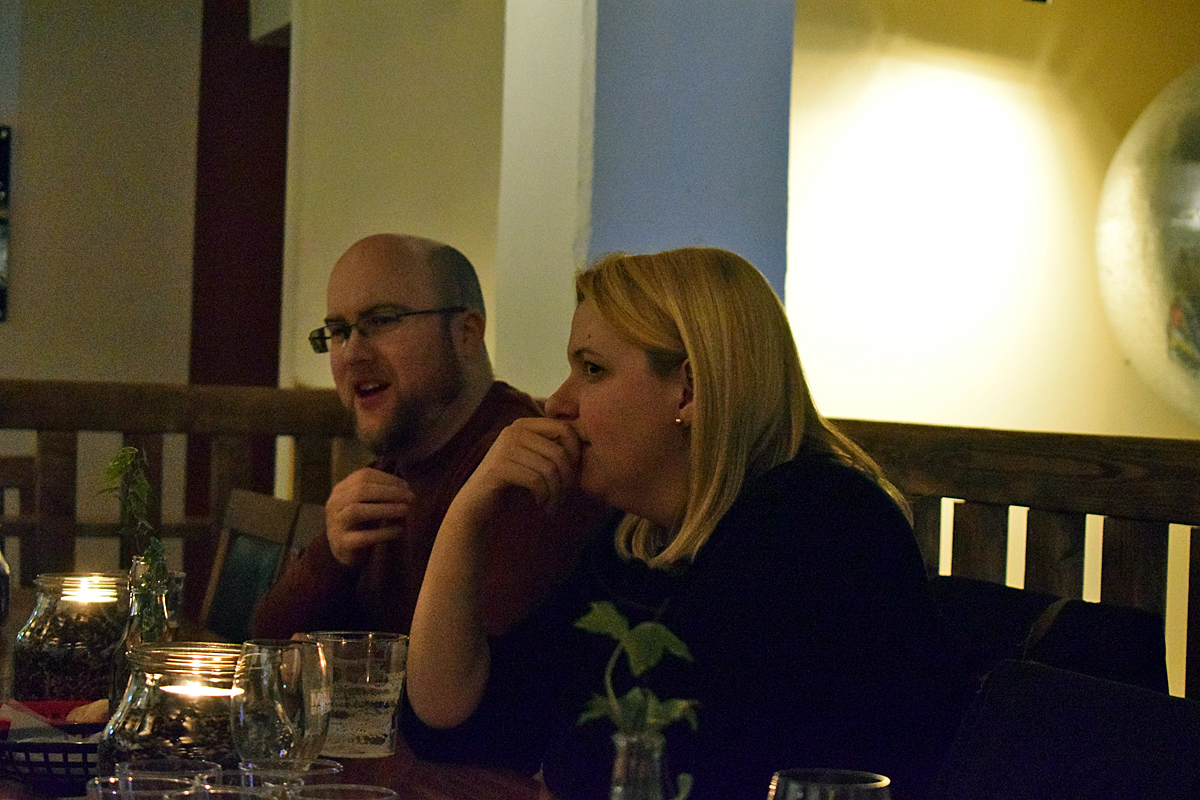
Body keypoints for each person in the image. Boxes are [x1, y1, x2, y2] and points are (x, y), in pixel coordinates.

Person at [402, 247, 971, 800]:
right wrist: (468, 511)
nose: (557, 402)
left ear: (689, 389)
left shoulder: (820, 525)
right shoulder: (639, 540)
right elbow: (455, 720)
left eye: (592, 369)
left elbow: (659, 765)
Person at [251, 233, 609, 640]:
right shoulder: (397, 462)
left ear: (466, 333)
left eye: (381, 321)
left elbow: (486, 667)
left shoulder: (525, 469)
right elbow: (264, 645)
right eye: (338, 331)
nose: (351, 354)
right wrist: (331, 557)